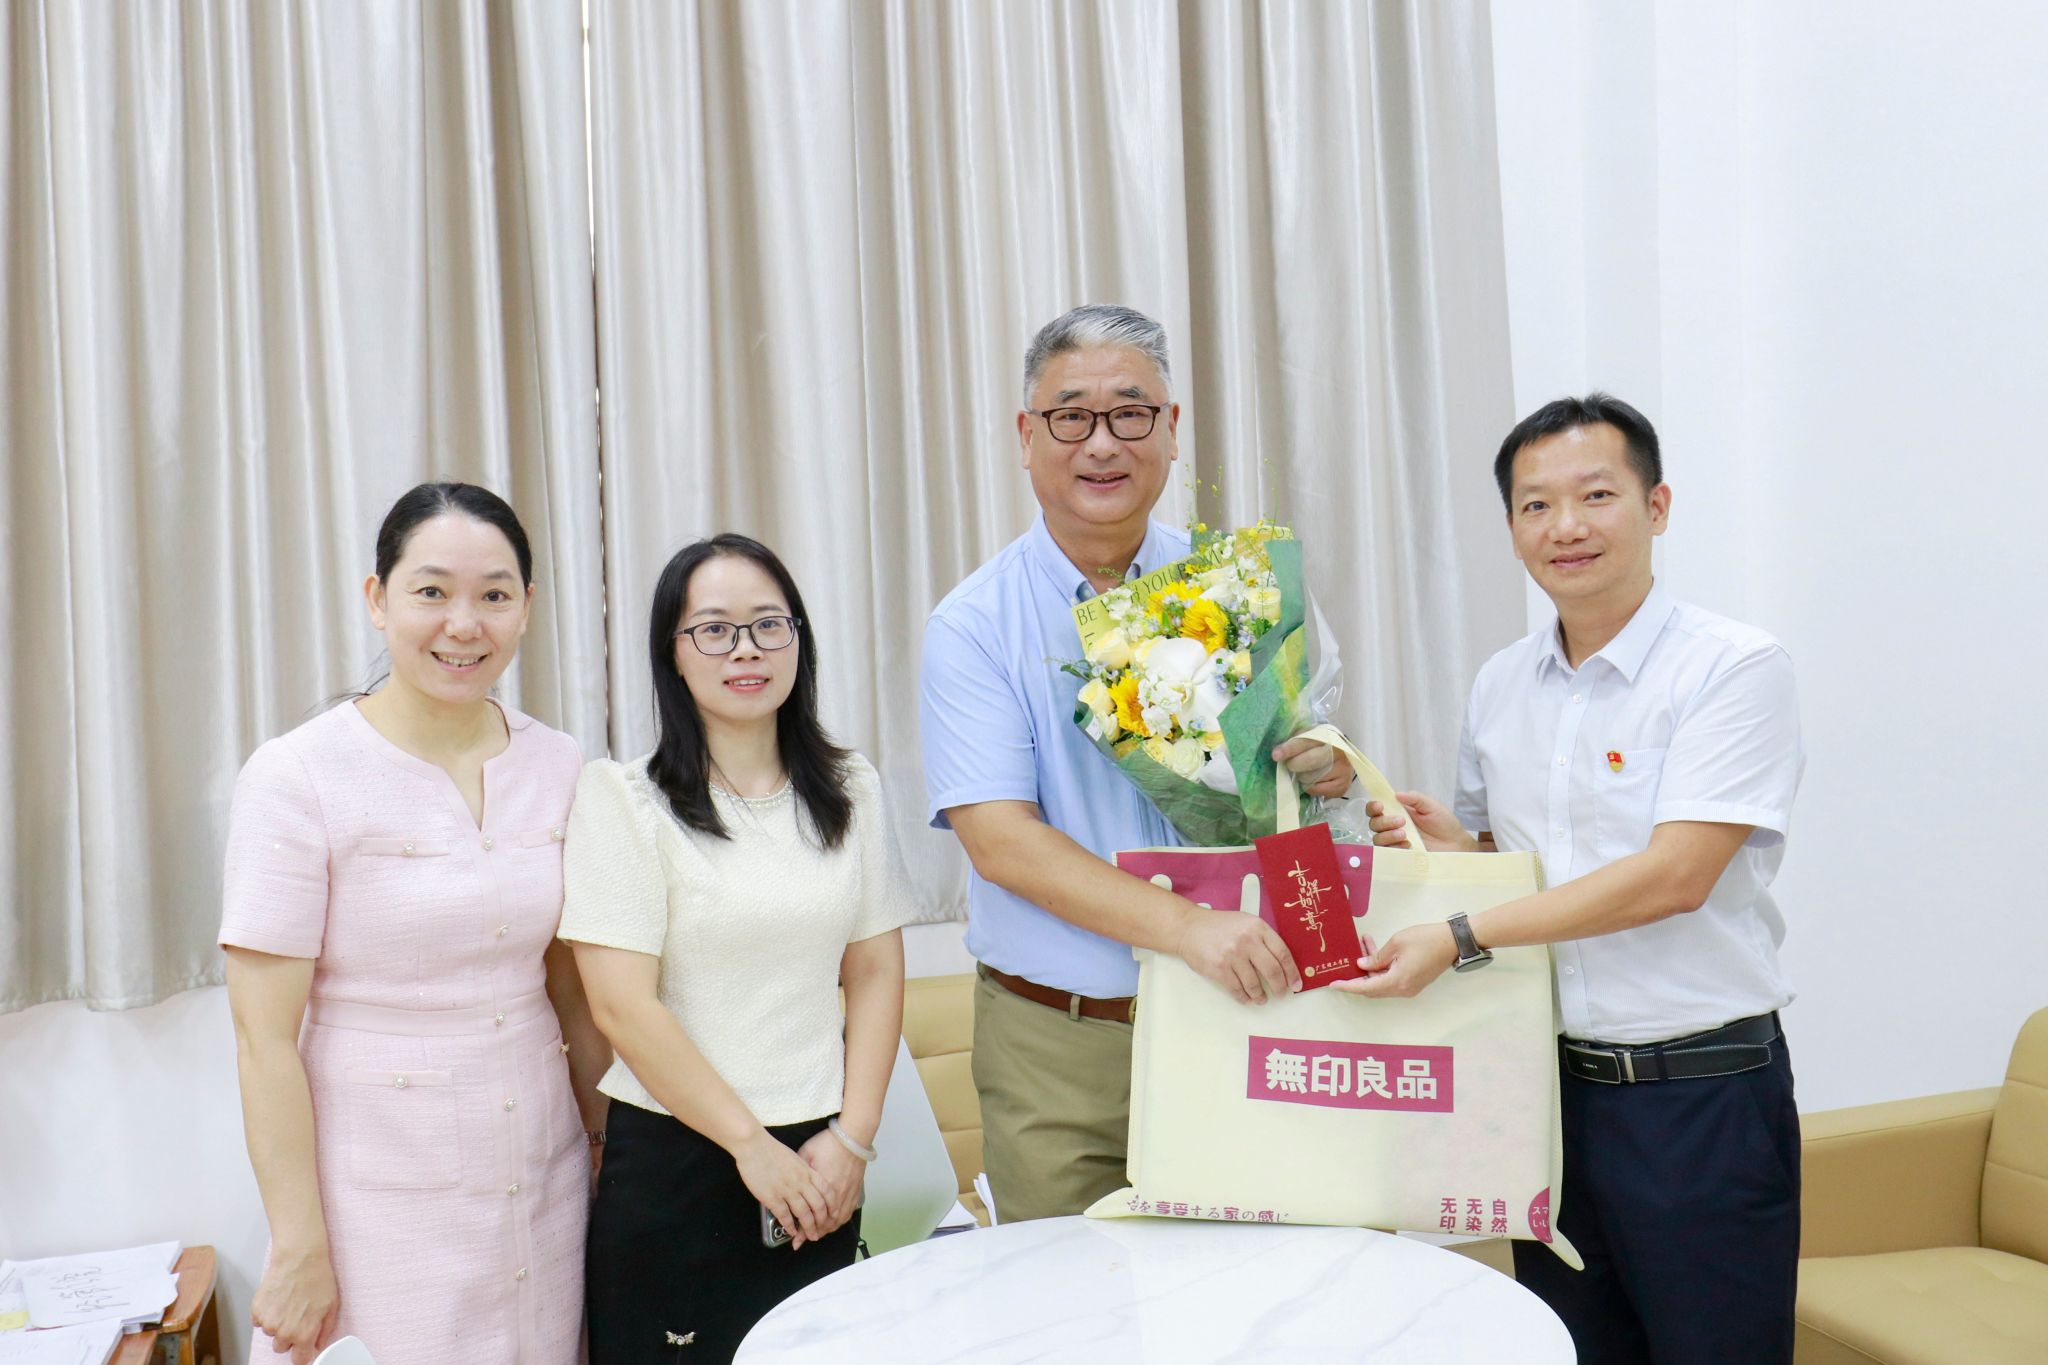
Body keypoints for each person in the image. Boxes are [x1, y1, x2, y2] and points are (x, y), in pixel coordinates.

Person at [1343, 394, 1804, 1363]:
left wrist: (1460, 934)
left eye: (1595, 495)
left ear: (1656, 506)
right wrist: (1448, 853)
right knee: (1569, 1346)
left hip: (1696, 1095)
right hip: (1544, 1093)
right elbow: (1516, 870)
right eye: (1535, 504)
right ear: (1512, 527)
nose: (1565, 526)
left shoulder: (1730, 667)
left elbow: (1674, 877)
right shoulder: (1500, 682)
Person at [918, 303, 1355, 1223]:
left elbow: (1301, 776)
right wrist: (1187, 928)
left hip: (1250, 1010)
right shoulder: (974, 625)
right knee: (1074, 1296)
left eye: (1130, 412)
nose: (1102, 442)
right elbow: (1001, 843)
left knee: (1264, 1289)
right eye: (1072, 416)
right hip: (1064, 1042)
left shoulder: (1240, 583)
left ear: (1171, 428)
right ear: (1027, 435)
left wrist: (1325, 767)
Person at [221, 483, 607, 1365]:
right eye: (431, 590)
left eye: (494, 595)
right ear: (377, 597)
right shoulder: (298, 776)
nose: (463, 624)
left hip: (541, 1169)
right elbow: (261, 1039)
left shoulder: (557, 762)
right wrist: (300, 1241)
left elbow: (573, 994)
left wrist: (601, 1150)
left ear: (526, 607)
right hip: (377, 1190)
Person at [561, 534, 913, 1364]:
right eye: (714, 629)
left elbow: (874, 968)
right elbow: (621, 1005)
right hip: (679, 1158)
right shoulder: (624, 799)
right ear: (673, 654)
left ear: (799, 639)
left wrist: (853, 1139)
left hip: (822, 1158)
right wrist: (752, 1147)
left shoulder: (851, 788)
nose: (745, 648)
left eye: (767, 624)